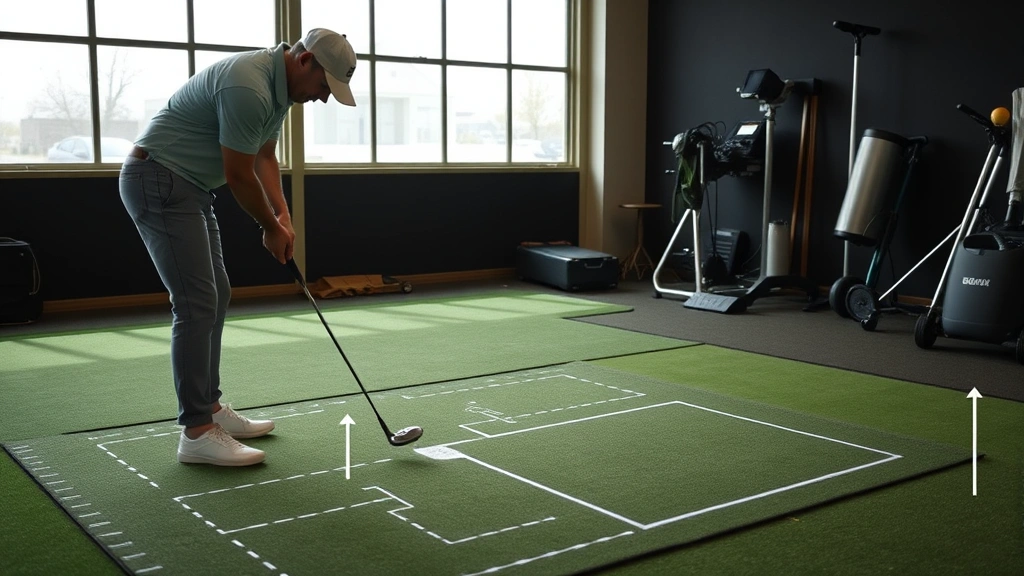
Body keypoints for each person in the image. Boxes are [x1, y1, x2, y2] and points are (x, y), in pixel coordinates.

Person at [119, 28, 358, 466]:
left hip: (189, 188)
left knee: (218, 294)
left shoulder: (281, 91)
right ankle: (196, 432)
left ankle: (210, 408)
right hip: (158, 180)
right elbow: (238, 173)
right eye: (325, 86)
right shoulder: (249, 85)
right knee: (195, 302)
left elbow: (264, 156)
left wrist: (283, 216)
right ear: (305, 61)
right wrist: (269, 227)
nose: (324, 98)